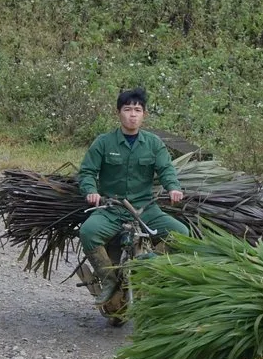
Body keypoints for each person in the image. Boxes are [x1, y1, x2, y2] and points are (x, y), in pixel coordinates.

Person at [75, 86, 188, 307]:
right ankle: (109, 281)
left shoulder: (153, 143)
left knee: (181, 233)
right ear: (119, 113)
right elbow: (87, 172)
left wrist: (173, 188)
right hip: (112, 209)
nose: (132, 114)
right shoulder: (104, 142)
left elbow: (166, 170)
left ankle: (147, 264)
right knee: (88, 232)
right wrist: (91, 191)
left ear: (144, 114)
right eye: (128, 109)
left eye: (137, 110)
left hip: (145, 209)